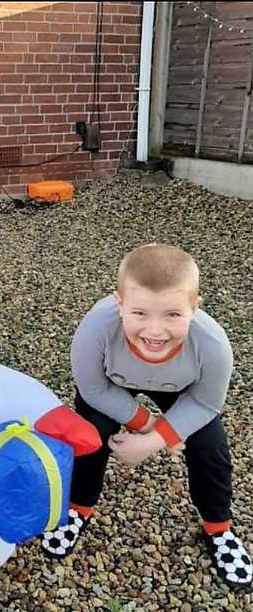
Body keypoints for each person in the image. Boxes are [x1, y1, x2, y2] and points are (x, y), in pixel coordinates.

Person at [40, 243, 251, 591]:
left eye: (172, 315)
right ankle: (78, 508)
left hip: (178, 385)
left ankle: (219, 528)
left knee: (210, 447)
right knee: (90, 436)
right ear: (119, 304)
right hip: (112, 383)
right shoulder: (95, 329)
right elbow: (92, 390)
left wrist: (152, 443)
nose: (155, 332)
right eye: (139, 314)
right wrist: (148, 424)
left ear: (194, 308)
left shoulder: (212, 345)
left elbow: (205, 404)